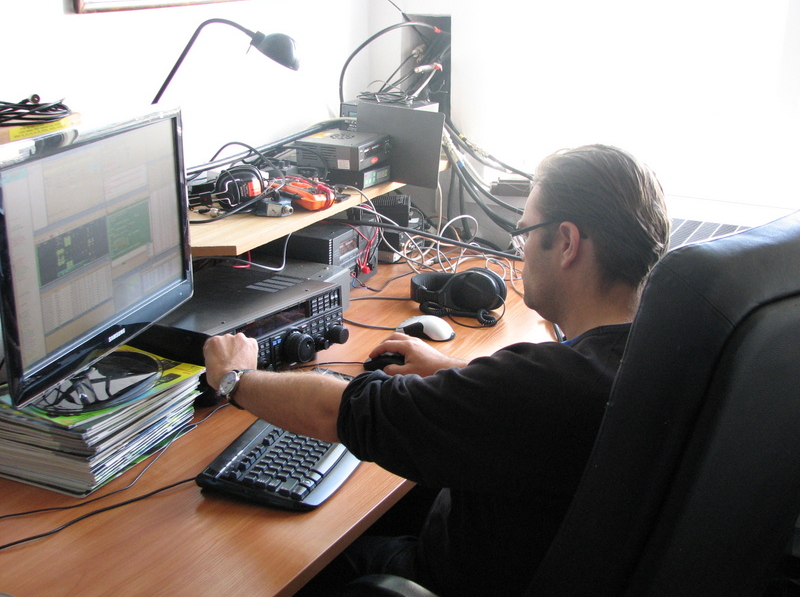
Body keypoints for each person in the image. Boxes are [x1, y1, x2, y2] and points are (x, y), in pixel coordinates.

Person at [202, 144, 671, 596]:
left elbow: (343, 411)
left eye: (526, 233)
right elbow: (526, 402)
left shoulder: (547, 385)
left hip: (456, 578)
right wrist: (450, 370)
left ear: (567, 243)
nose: (522, 249)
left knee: (293, 567)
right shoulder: (660, 356)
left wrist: (236, 378)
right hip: (529, 555)